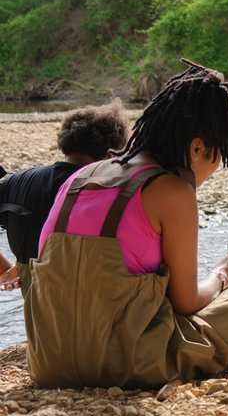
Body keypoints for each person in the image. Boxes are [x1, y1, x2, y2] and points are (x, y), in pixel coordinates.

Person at [24, 60, 228, 389]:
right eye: (218, 157)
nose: (212, 171)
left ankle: (215, 356)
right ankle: (215, 359)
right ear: (197, 148)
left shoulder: (81, 177)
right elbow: (186, 302)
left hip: (48, 362)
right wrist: (223, 274)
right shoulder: (172, 189)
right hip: (129, 364)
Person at [0, 100, 130, 291]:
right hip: (88, 306)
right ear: (111, 155)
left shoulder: (15, 182)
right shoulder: (101, 191)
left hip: (34, 309)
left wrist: (5, 268)